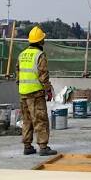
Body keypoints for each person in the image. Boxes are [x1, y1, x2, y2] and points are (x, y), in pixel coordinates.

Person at [16, 25, 57, 156]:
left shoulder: (22, 55)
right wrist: (48, 90)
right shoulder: (40, 55)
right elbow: (43, 75)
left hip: (23, 93)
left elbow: (17, 75)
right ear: (40, 41)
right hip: (36, 94)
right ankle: (43, 147)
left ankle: (27, 146)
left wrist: (21, 87)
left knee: (27, 120)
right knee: (40, 119)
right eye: (43, 39)